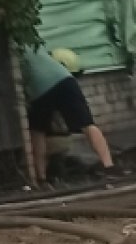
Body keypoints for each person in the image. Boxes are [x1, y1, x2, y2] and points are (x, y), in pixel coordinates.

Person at [21, 46, 121, 186]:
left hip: (38, 90)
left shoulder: (6, 44)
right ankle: (109, 167)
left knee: (38, 132)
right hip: (63, 78)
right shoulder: (29, 38)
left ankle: (41, 179)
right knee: (87, 124)